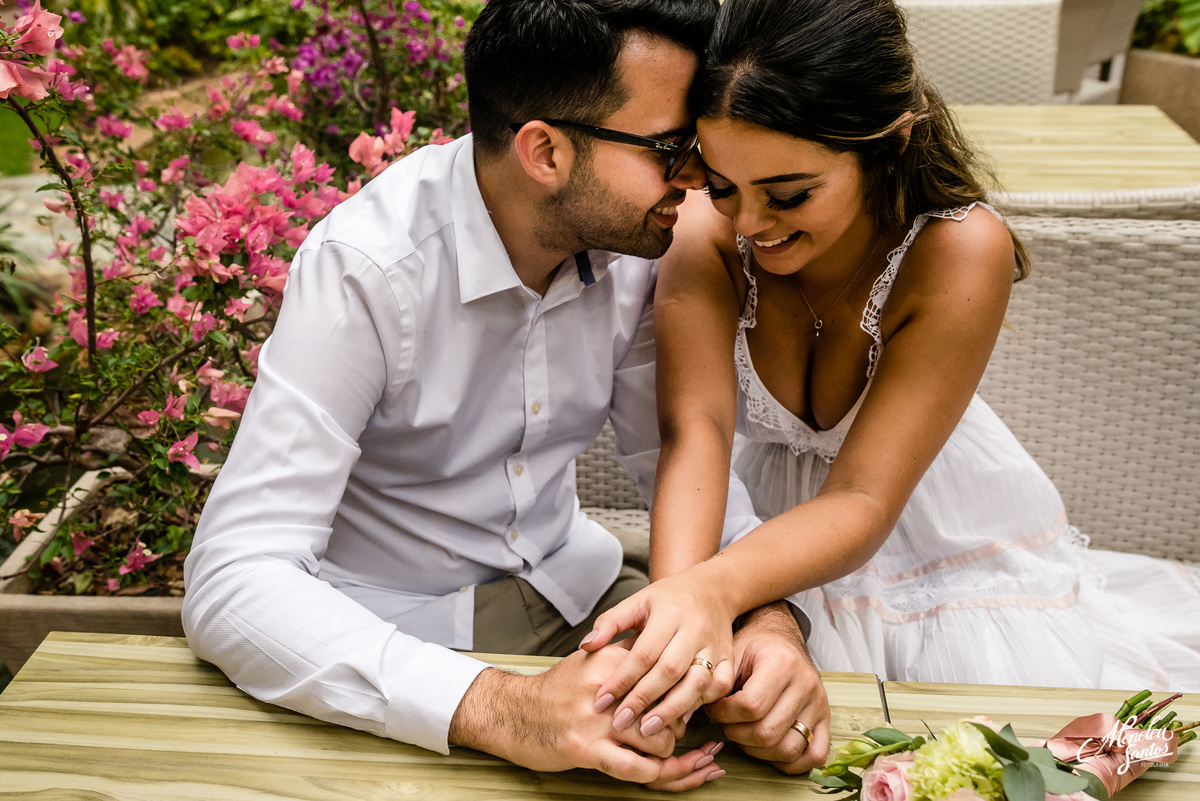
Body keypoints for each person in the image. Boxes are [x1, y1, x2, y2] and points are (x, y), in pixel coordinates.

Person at [182, 0, 828, 790]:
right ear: (545, 152)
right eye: (670, 147)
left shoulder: (638, 244)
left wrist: (765, 617)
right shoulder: (367, 267)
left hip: (580, 592)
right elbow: (234, 575)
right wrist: (503, 709)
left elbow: (677, 454)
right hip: (398, 638)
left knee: (768, 743)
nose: (696, 177)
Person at [580, 0, 1200, 724]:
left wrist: (712, 591)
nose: (748, 224)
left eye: (789, 194)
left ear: (891, 142)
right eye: (722, 186)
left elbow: (862, 501)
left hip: (926, 532)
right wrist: (682, 612)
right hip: (757, 530)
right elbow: (697, 433)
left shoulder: (959, 251)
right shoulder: (710, 234)